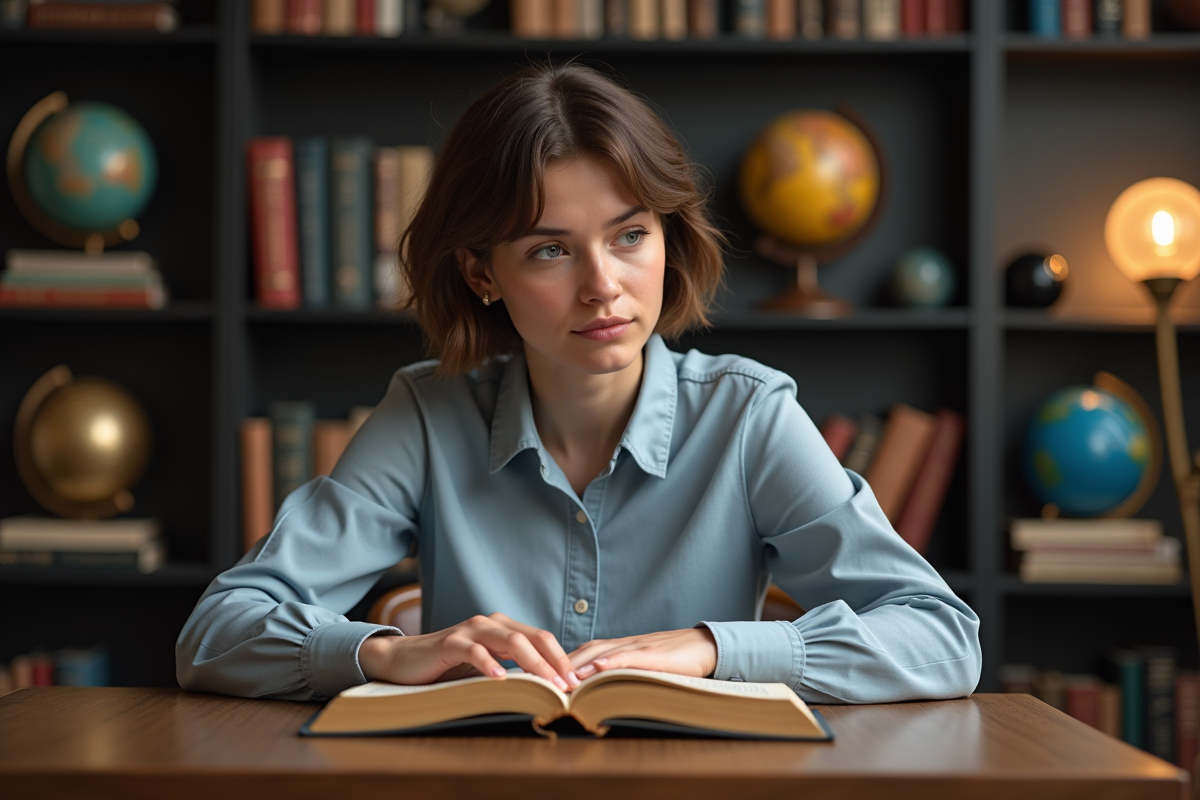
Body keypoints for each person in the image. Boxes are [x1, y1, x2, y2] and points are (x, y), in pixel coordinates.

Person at [177, 62, 981, 703]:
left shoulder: (748, 417)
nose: (604, 287)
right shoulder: (426, 416)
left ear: (669, 238)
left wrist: (710, 648)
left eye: (629, 235)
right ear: (481, 274)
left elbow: (942, 637)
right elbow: (215, 633)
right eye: (549, 250)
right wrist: (392, 653)